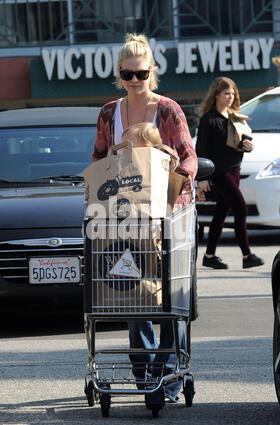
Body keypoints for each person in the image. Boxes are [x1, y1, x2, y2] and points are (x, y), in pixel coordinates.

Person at [92, 32, 197, 402]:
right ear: (119, 74)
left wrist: (175, 188)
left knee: (171, 301)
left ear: (153, 71)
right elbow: (99, 160)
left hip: (168, 220)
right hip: (126, 221)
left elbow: (187, 156)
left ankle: (166, 376)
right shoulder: (109, 113)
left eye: (141, 73)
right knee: (135, 297)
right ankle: (145, 372)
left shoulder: (167, 110)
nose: (135, 81)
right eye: (128, 74)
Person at [196, 76, 264, 270]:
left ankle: (209, 256)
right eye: (227, 93)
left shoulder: (235, 117)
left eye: (233, 93)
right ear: (216, 94)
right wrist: (203, 178)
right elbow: (201, 149)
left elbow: (239, 143)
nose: (231, 96)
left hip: (235, 170)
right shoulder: (208, 120)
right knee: (241, 208)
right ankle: (247, 255)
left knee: (220, 214)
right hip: (219, 173)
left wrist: (247, 146)